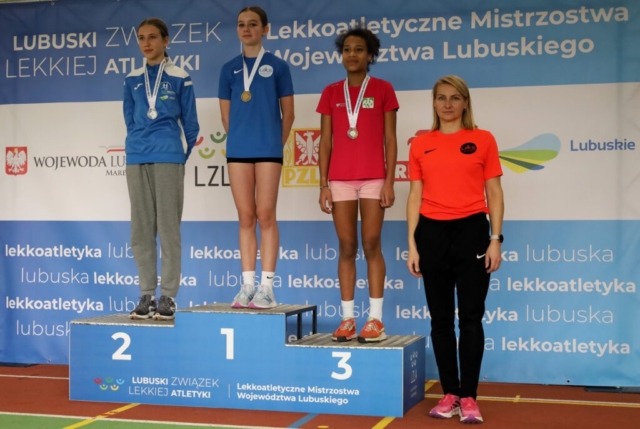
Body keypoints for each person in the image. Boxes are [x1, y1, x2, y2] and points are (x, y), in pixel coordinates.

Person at [406, 75, 504, 423]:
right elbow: (414, 196)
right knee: (441, 319)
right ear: (434, 103)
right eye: (441, 98)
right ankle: (449, 394)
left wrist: (495, 238)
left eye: (454, 98)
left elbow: (494, 192)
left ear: (465, 103)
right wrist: (412, 245)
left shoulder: (483, 139)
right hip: (431, 234)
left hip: (472, 232)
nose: (447, 104)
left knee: (471, 319)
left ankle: (469, 397)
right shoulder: (420, 144)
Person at [317, 28, 398, 343]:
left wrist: (389, 181)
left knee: (372, 243)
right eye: (347, 49)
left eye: (359, 49)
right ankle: (348, 319)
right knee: (347, 246)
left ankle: (375, 320)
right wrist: (323, 185)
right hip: (340, 180)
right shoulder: (331, 92)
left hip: (374, 178)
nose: (352, 54)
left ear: (370, 55)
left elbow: (390, 139)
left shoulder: (383, 89)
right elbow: (325, 142)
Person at [218, 6, 294, 309]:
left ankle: (267, 288)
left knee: (265, 214)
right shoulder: (228, 69)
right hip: (238, 151)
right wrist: (240, 139)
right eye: (241, 24)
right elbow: (227, 117)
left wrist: (275, 143)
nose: (246, 29)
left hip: (268, 151)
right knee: (245, 216)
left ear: (265, 29)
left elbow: (288, 114)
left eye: (252, 24)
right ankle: (247, 286)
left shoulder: (278, 66)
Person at [124, 18, 200, 320]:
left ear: (166, 41)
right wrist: (137, 143)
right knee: (141, 230)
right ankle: (146, 295)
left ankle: (168, 296)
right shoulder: (132, 78)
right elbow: (130, 118)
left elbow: (191, 123)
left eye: (153, 37)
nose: (146, 43)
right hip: (137, 155)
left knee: (168, 228)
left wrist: (179, 153)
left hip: (169, 155)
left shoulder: (180, 76)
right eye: (141, 38)